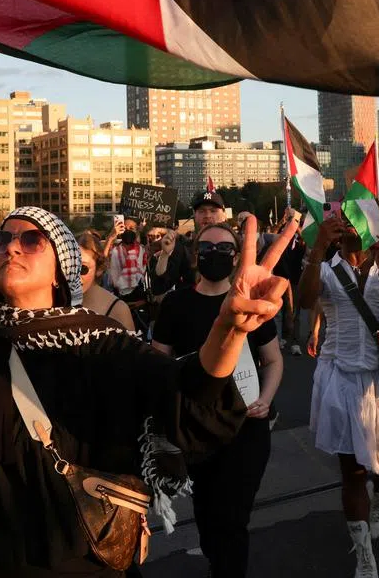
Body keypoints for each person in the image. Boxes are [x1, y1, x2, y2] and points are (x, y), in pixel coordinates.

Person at [0, 84, 294, 577]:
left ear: (61, 270)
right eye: (4, 239)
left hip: (80, 562)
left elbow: (187, 394)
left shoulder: (100, 344)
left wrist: (229, 329)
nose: (12, 247)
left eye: (32, 240)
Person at [152, 222, 285, 578]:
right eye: (207, 248)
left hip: (246, 429)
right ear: (196, 255)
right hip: (197, 431)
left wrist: (266, 399)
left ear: (237, 255)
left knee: (232, 519)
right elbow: (158, 361)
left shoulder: (252, 300)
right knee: (208, 515)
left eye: (225, 248)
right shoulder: (176, 303)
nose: (216, 254)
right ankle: (217, 560)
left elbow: (273, 360)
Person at [298, 215, 379, 577]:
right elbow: (305, 300)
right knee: (353, 472)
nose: (349, 224)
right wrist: (317, 249)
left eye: (356, 218)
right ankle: (364, 556)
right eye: (343, 220)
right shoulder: (326, 269)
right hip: (339, 378)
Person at [78, 233, 134, 330]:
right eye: (68, 266)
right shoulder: (55, 301)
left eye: (83, 268)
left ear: (99, 269)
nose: (74, 274)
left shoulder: (118, 309)